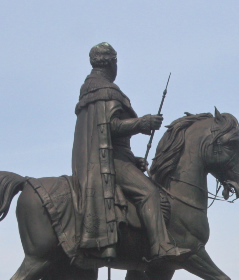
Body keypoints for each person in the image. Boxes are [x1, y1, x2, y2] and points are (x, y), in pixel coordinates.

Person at [72, 42, 185, 262]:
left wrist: (133, 160)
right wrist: (141, 123)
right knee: (150, 193)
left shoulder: (91, 89)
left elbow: (106, 136)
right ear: (112, 63)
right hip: (109, 163)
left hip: (112, 158)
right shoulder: (105, 90)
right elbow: (110, 126)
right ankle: (160, 247)